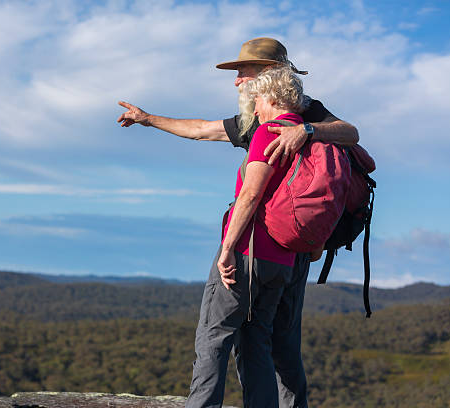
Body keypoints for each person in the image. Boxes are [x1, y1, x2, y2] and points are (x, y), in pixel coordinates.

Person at [117, 38, 358, 408]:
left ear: (267, 76)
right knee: (261, 339)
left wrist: (307, 131)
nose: (236, 81)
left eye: (242, 72)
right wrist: (148, 118)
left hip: (256, 247)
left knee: (233, 338)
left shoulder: (293, 119)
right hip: (290, 251)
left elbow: (253, 193)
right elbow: (201, 129)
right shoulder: (256, 121)